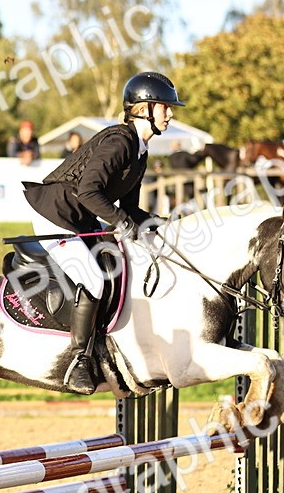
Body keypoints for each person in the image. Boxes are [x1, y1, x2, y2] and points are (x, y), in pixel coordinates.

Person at [21, 71, 183, 393]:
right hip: (56, 216)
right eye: (165, 107)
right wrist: (122, 223)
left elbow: (130, 209)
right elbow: (88, 192)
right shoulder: (120, 142)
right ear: (146, 109)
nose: (170, 114)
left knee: (122, 266)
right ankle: (78, 361)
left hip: (81, 219)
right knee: (94, 279)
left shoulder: (139, 151)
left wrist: (164, 225)